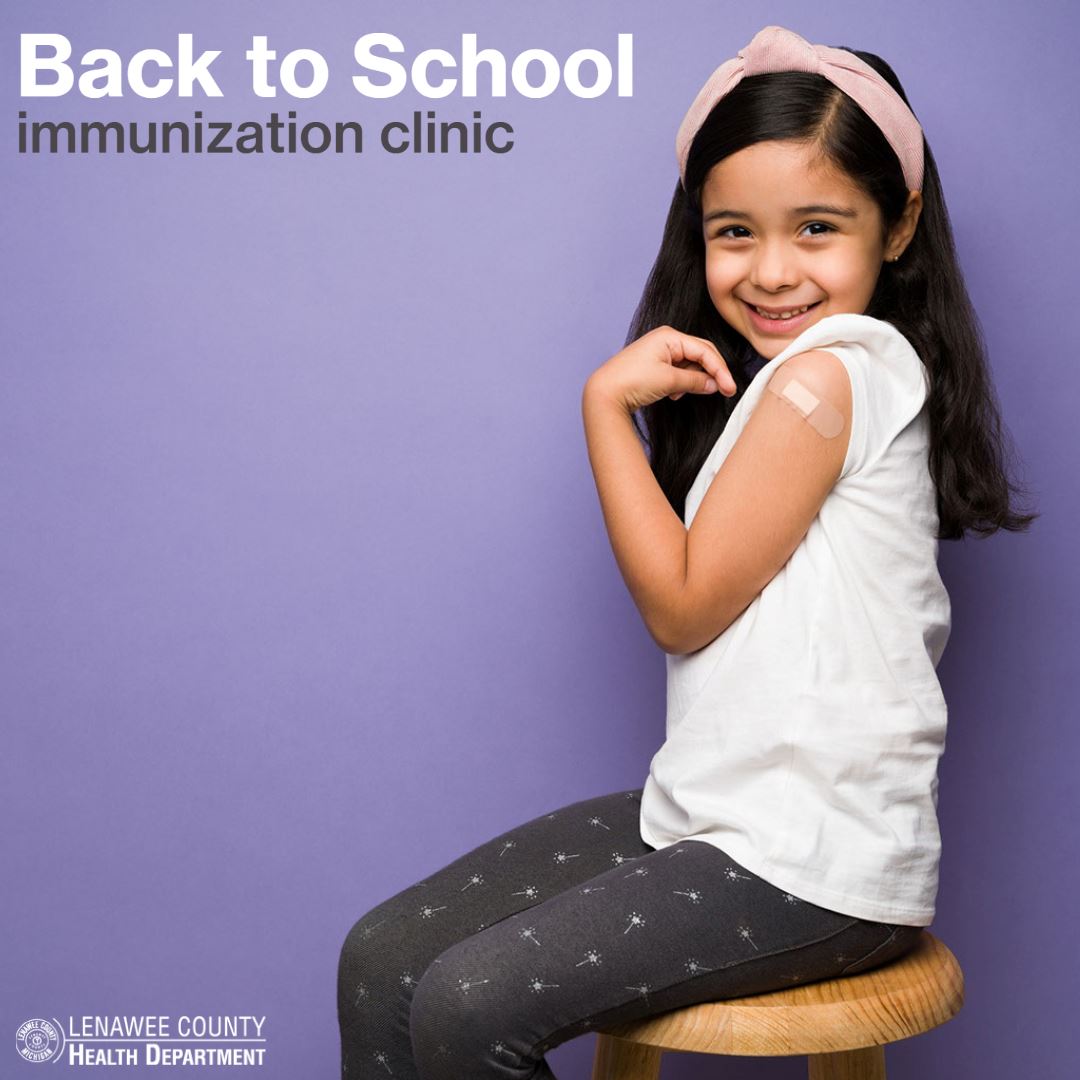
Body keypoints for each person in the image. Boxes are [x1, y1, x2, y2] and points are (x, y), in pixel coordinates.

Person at [336, 24, 1036, 1080]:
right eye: (734, 232)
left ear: (899, 227)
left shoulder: (834, 375)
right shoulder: (794, 385)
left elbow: (681, 604)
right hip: (716, 820)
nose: (771, 271)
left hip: (815, 865)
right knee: (381, 959)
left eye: (816, 227)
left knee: (472, 1009)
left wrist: (603, 409)